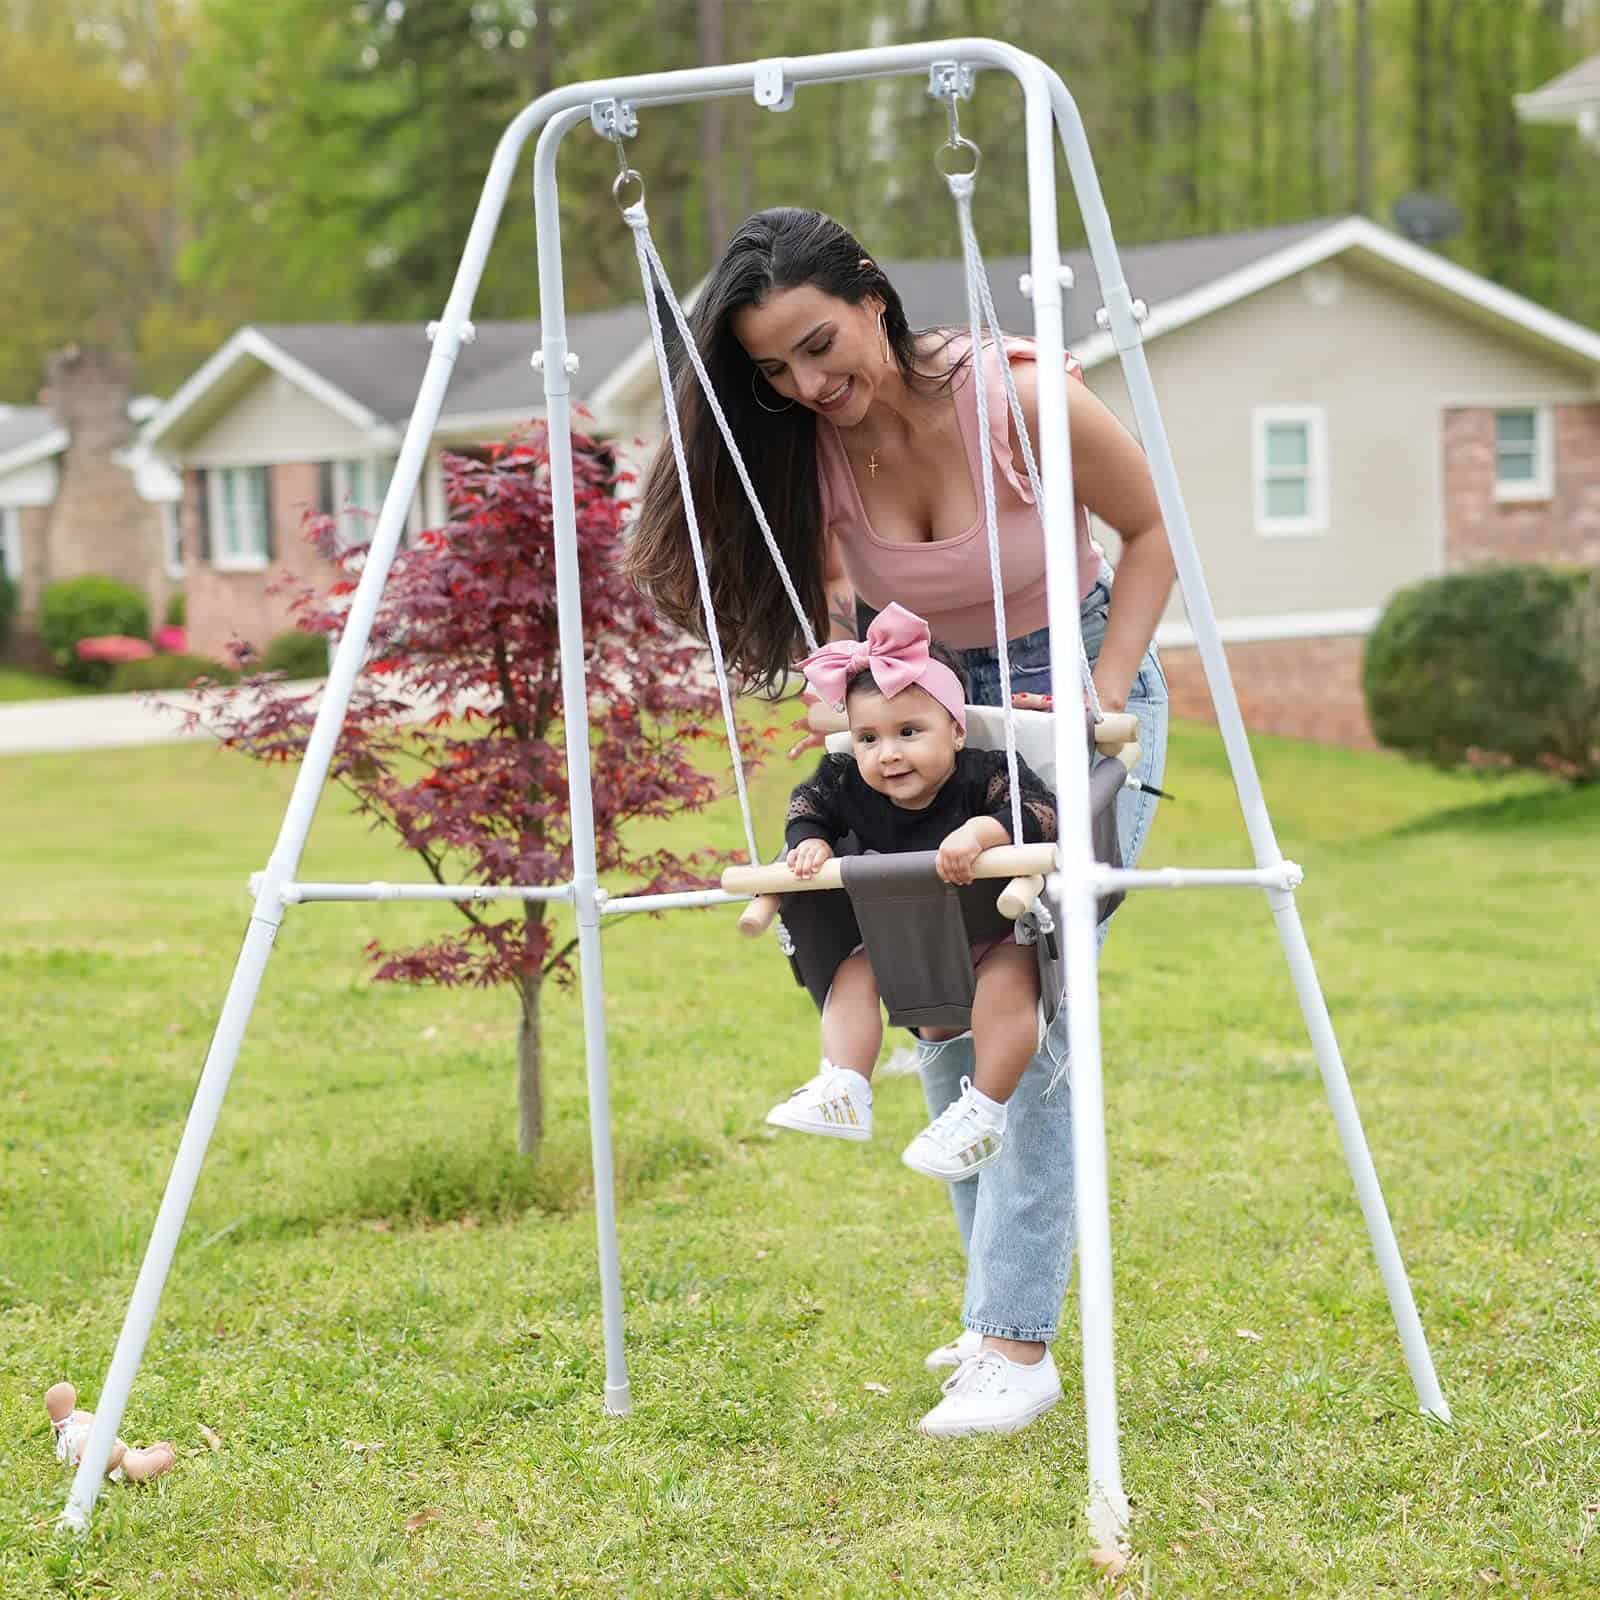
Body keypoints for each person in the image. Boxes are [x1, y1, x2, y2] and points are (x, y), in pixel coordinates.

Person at [625, 207, 1174, 1439]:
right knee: (934, 1004)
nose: (808, 385)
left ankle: (1015, 1343)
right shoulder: (812, 454)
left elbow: (1148, 535)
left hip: (1075, 694)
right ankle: (994, 1306)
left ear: (874, 294)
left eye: (820, 345)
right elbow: (846, 628)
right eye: (775, 370)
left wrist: (1099, 688)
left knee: (1019, 985)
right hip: (932, 714)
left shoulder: (1019, 399)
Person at [768, 603, 1056, 1181]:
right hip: (903, 942)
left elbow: (1042, 813)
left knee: (1008, 982)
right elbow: (808, 807)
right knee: (854, 971)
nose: (888, 753)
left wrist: (982, 831)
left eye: (909, 732)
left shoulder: (984, 771)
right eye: (868, 737)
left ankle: (983, 1113)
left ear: (954, 728)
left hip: (995, 931)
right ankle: (846, 1084)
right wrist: (811, 842)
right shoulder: (849, 781)